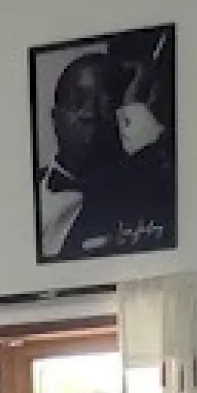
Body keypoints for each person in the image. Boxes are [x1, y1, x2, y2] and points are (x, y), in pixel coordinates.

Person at [38, 49, 174, 262]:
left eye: (106, 103)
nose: (89, 113)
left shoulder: (144, 191)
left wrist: (136, 110)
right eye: (77, 102)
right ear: (55, 118)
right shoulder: (20, 191)